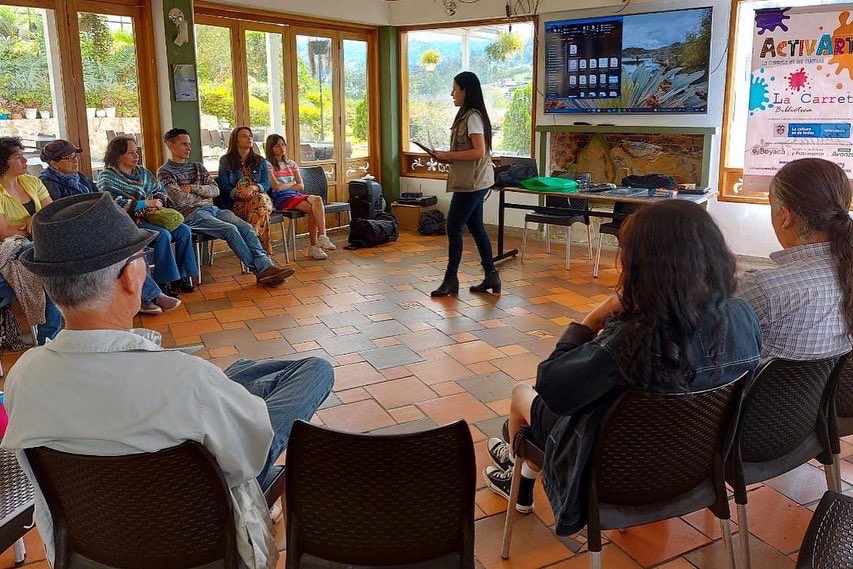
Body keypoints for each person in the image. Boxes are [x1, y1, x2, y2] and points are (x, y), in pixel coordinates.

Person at [1, 192, 334, 569]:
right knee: (309, 374)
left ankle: (234, 392)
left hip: (95, 549)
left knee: (233, 379)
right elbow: (250, 459)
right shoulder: (186, 380)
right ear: (133, 276)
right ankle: (237, 397)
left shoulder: (23, 376)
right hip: (202, 545)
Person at [482, 200, 762, 535]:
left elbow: (553, 389)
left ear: (645, 266)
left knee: (520, 394)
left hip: (609, 473)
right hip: (692, 463)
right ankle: (518, 463)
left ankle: (519, 479)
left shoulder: (634, 337)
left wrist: (589, 321)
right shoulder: (742, 314)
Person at [37, 138, 181, 314]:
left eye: (75, 155)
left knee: (133, 242)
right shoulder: (48, 183)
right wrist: (140, 205)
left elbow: (101, 200)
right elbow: (63, 215)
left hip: (93, 228)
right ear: (53, 163)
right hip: (74, 237)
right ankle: (149, 296)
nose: (75, 160)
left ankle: (148, 294)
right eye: (69, 157)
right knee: (126, 246)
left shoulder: (80, 177)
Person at [737, 158, 853, 361]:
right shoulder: (846, 270)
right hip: (823, 393)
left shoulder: (762, 288)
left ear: (785, 216)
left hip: (760, 393)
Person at [158, 128, 294, 287]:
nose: (188, 148)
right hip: (191, 214)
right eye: (183, 144)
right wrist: (203, 193)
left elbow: (214, 190)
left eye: (189, 144)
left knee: (246, 228)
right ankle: (261, 270)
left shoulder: (198, 167)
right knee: (230, 229)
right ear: (170, 145)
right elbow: (179, 199)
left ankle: (266, 267)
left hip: (213, 210)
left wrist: (193, 188)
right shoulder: (164, 172)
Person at [97, 136, 198, 296]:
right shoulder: (107, 177)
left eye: (136, 152)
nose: (136, 156)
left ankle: (183, 277)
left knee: (184, 230)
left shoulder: (142, 172)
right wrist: (144, 204)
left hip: (151, 217)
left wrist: (157, 202)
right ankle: (165, 282)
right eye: (131, 153)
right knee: (162, 235)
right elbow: (112, 204)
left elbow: (160, 190)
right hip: (128, 223)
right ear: (118, 156)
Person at [430, 71, 498, 298]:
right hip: (474, 181)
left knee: (453, 226)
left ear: (466, 90)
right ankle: (491, 275)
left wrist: (448, 154)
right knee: (476, 227)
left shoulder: (472, 117)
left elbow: (478, 151)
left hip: (473, 183)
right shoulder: (466, 115)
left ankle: (451, 280)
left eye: (455, 88)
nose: (452, 93)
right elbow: (469, 151)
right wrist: (446, 156)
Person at [0, 137, 63, 343]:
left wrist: (34, 218)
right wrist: (36, 223)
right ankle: (50, 337)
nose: (25, 160)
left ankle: (49, 338)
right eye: (18, 157)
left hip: (38, 245)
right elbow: (4, 234)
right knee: (47, 262)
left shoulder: (33, 182)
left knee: (50, 263)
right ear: (3, 162)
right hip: (9, 250)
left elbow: (52, 214)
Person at [265, 134, 336, 260]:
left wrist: (286, 185)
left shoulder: (291, 163)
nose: (281, 148)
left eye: (283, 144)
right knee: (313, 209)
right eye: (277, 146)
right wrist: (292, 183)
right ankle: (315, 247)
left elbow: (301, 186)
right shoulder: (268, 164)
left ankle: (322, 238)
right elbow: (277, 188)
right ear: (271, 148)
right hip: (282, 198)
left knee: (317, 200)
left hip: (296, 195)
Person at [216, 127, 275, 254]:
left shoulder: (260, 161)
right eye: (244, 136)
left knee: (260, 200)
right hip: (238, 203)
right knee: (261, 211)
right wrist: (238, 193)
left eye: (250, 135)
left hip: (260, 199)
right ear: (235, 140)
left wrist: (253, 187)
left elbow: (266, 183)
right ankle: (262, 252)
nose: (249, 138)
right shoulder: (226, 161)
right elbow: (224, 185)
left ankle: (252, 241)